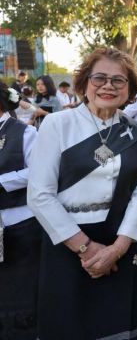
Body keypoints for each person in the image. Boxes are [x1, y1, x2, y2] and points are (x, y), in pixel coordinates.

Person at [27, 48, 137, 339]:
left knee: (119, 325)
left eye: (118, 80)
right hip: (67, 241)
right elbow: (40, 194)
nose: (108, 86)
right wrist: (87, 248)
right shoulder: (57, 125)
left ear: (130, 89)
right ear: (84, 83)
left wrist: (116, 249)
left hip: (121, 243)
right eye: (99, 78)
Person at [0, 82, 39, 340]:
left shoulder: (24, 132)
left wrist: (3, 181)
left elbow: (38, 170)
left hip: (19, 224)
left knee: (19, 290)